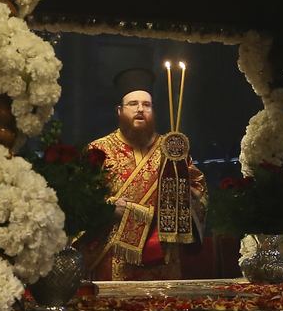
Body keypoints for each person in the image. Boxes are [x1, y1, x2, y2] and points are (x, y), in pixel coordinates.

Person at [85, 68, 207, 281]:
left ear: (153, 112)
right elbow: (82, 197)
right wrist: (108, 208)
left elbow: (199, 188)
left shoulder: (172, 149)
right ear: (119, 111)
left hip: (164, 252)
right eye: (133, 104)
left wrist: (181, 201)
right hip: (114, 251)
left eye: (146, 105)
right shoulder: (98, 150)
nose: (140, 109)